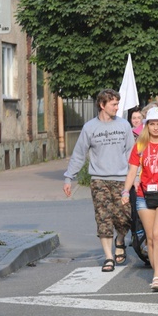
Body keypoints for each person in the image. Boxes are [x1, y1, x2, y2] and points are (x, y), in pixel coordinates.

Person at [63, 89, 134, 273]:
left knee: (124, 216)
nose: (117, 108)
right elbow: (79, 154)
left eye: (118, 104)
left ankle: (120, 241)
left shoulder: (124, 125)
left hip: (121, 179)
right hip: (99, 180)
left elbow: (131, 154)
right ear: (102, 105)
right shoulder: (89, 127)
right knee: (103, 218)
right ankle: (108, 257)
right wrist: (69, 177)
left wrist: (136, 177)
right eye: (113, 104)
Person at [121, 107, 158, 292]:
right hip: (144, 196)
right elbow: (131, 171)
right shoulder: (139, 146)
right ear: (146, 126)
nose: (155, 128)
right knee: (151, 237)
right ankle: (157, 270)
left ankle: (157, 276)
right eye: (152, 124)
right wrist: (125, 192)